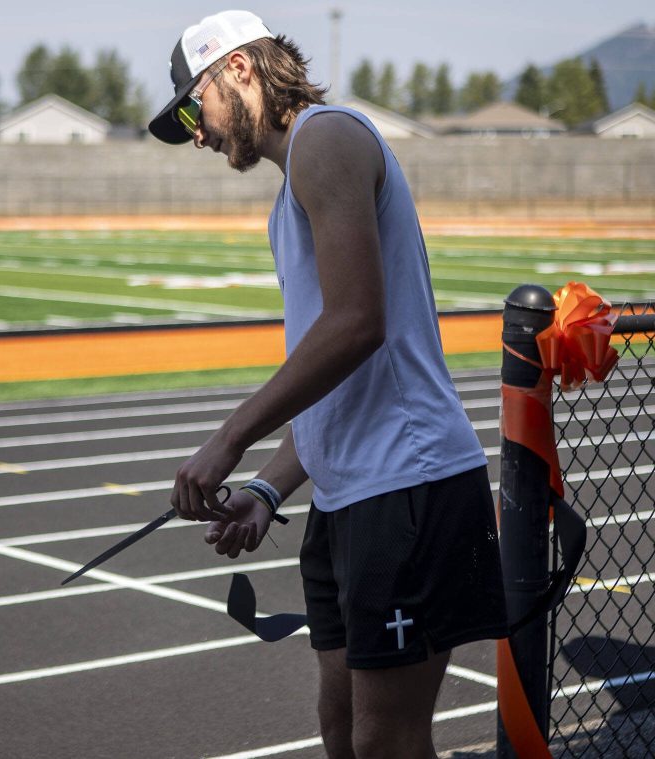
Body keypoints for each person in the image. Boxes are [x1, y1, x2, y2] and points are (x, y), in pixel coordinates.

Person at [149, 11, 508, 759]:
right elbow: (342, 381)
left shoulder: (329, 139)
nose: (197, 132)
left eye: (193, 106)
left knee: (389, 741)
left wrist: (229, 438)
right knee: (343, 728)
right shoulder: (293, 189)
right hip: (352, 495)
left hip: (406, 483)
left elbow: (356, 324)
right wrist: (268, 488)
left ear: (239, 71)